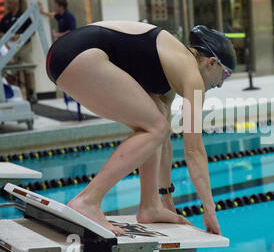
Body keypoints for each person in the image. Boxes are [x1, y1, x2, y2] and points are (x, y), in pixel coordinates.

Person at [45, 21, 236, 235]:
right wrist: (209, 209)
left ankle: (150, 206)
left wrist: (166, 196)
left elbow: (163, 143)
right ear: (212, 63)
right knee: (156, 127)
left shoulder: (174, 68)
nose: (220, 85)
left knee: (158, 121)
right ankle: (87, 201)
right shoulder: (192, 78)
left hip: (68, 54)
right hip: (79, 54)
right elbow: (194, 150)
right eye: (225, 74)